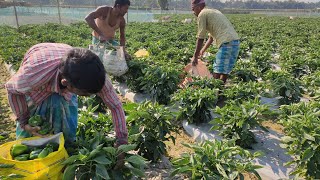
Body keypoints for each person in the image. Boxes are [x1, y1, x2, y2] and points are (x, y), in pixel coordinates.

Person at [5, 43, 128, 149]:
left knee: (64, 117)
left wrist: (121, 141)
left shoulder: (94, 75)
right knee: (31, 134)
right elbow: (12, 90)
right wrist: (24, 122)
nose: (88, 96)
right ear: (66, 84)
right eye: (84, 93)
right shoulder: (32, 77)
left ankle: (66, 148)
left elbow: (115, 106)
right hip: (41, 70)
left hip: (61, 62)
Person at [190, 0, 240, 83]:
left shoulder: (202, 14)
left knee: (218, 69)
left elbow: (200, 37)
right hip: (235, 42)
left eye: (193, 9)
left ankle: (214, 91)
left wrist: (195, 56)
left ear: (198, 7)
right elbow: (211, 37)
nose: (193, 12)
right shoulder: (213, 11)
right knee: (225, 70)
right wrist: (202, 51)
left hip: (226, 43)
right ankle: (220, 92)